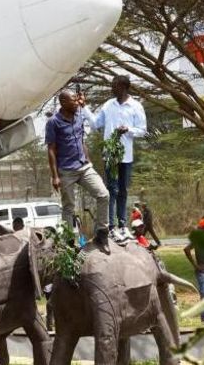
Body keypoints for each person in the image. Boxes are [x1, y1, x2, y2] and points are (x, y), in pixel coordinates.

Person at [81, 75, 147, 240]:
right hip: (110, 155)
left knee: (123, 190)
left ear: (123, 87)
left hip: (126, 155)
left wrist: (128, 129)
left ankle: (123, 225)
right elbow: (95, 124)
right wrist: (84, 107)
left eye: (115, 86)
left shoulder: (135, 106)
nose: (112, 88)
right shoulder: (108, 105)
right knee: (112, 189)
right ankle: (111, 226)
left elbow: (142, 130)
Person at [46, 89, 111, 251]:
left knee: (103, 194)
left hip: (84, 167)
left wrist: (88, 160)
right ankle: (69, 243)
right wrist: (55, 176)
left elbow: (82, 140)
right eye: (73, 100)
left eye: (77, 100)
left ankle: (102, 234)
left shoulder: (79, 116)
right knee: (69, 207)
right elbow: (51, 149)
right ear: (63, 102)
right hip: (66, 171)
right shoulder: (53, 122)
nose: (77, 103)